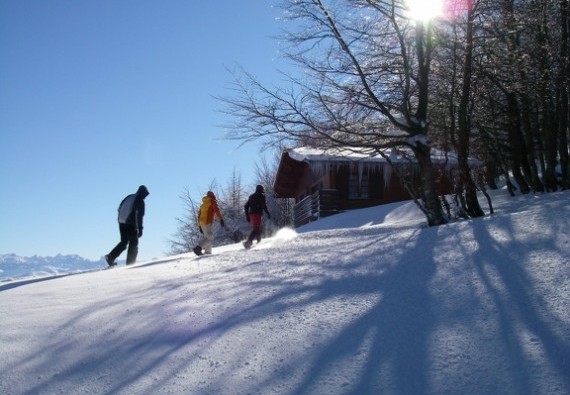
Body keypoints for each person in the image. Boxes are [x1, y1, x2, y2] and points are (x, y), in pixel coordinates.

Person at [105, 185, 149, 266]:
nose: (145, 198)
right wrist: (140, 228)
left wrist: (120, 219)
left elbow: (119, 208)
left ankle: (111, 256)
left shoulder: (129, 196)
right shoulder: (140, 200)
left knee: (124, 242)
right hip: (130, 223)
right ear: (142, 193)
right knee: (134, 242)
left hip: (121, 222)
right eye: (145, 195)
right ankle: (130, 264)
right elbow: (139, 216)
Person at [193, 191, 225, 255]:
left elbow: (199, 215)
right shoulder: (212, 202)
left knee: (207, 237)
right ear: (213, 195)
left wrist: (199, 225)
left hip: (202, 223)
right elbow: (217, 211)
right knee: (210, 238)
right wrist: (221, 219)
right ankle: (198, 248)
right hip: (207, 222)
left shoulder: (203, 205)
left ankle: (208, 252)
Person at [243, 185, 271, 249]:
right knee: (256, 229)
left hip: (252, 215)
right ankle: (248, 242)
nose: (263, 191)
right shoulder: (261, 196)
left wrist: (247, 216)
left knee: (260, 228)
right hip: (257, 215)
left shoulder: (251, 196)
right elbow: (264, 206)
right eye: (262, 189)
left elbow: (246, 206)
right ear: (260, 190)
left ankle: (259, 242)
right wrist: (268, 213)